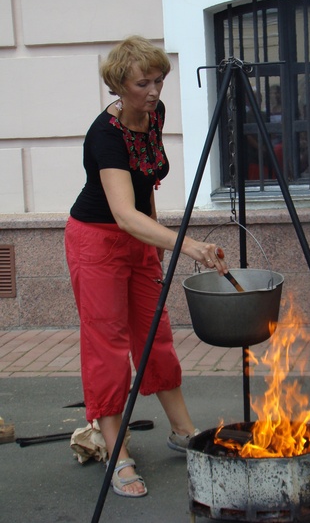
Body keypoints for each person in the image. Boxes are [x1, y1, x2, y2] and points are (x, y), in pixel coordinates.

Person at [65, 35, 229, 498]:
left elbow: (146, 188)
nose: (154, 91)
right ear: (119, 85)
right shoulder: (105, 135)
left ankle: (183, 430)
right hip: (97, 241)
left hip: (140, 240)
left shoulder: (154, 116)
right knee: (109, 345)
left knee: (155, 333)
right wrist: (188, 245)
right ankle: (117, 452)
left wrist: (156, 244)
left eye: (159, 80)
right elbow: (122, 212)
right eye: (143, 83)